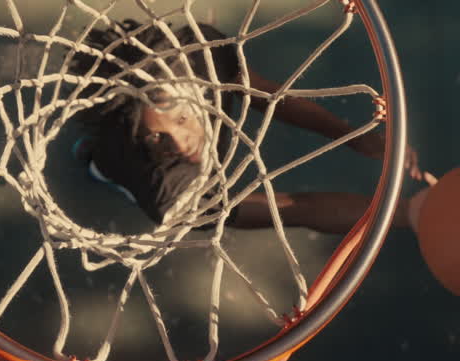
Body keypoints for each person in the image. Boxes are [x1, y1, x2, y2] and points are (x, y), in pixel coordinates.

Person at [72, 18, 426, 231]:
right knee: (101, 163)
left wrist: (353, 137)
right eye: (156, 137)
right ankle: (93, 162)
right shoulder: (168, 191)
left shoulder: (202, 55)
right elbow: (296, 208)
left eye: (180, 119)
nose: (179, 143)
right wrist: (408, 213)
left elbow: (268, 96)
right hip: (139, 171)